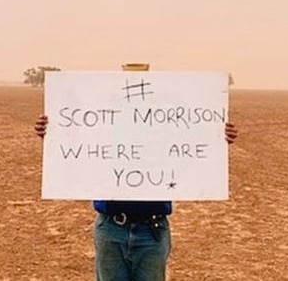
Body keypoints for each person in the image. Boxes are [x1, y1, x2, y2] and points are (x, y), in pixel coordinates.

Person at [34, 64, 238, 281]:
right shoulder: (102, 125)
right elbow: (74, 139)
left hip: (152, 230)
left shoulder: (165, 129)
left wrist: (219, 135)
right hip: (110, 227)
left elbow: (194, 145)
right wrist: (51, 130)